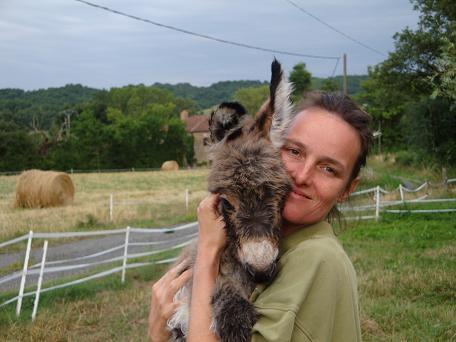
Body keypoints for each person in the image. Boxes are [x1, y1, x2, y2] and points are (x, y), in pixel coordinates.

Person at [148, 91, 373, 342]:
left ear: (347, 190)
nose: (301, 176)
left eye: (328, 169)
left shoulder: (318, 259)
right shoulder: (285, 244)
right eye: (295, 152)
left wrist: (208, 251)